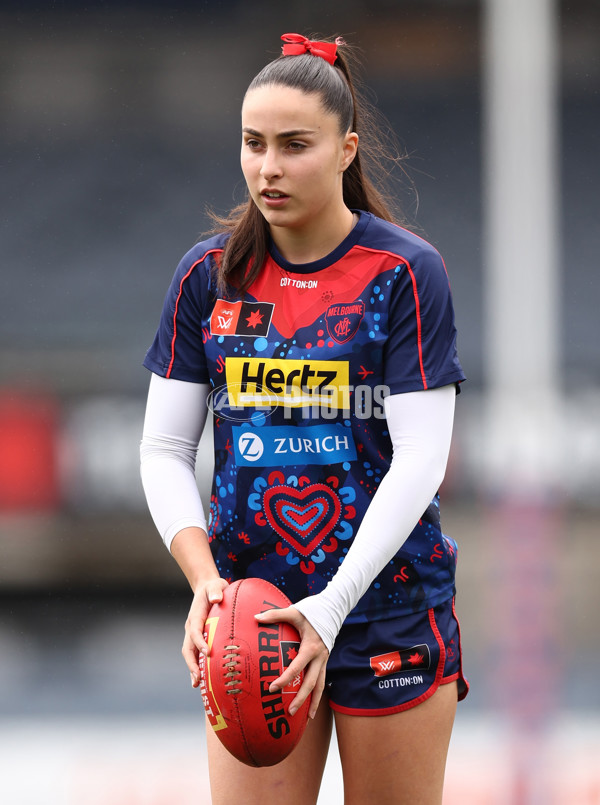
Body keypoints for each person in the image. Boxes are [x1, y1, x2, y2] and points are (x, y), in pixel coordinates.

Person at [140, 32, 468, 805]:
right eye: (253, 143)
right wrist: (207, 583)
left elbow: (422, 460)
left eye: (295, 145)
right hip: (254, 619)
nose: (268, 167)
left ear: (346, 150)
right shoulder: (207, 276)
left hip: (387, 609)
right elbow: (163, 448)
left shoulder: (404, 272)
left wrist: (332, 606)